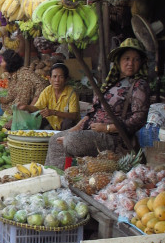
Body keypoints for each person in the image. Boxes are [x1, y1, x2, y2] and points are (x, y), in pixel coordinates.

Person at [45, 38, 150, 170]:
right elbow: (92, 113)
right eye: (127, 58)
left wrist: (107, 128)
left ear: (141, 63)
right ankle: (54, 178)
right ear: (119, 60)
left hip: (114, 138)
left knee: (72, 141)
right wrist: (73, 130)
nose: (131, 63)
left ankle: (68, 174)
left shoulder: (139, 85)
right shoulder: (111, 83)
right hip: (91, 130)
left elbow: (138, 119)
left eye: (136, 59)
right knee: (55, 140)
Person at [0, 49, 48, 127]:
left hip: (36, 106)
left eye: (2, 61)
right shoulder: (11, 76)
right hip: (24, 105)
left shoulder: (24, 76)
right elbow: (10, 96)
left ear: (9, 63)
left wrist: (31, 107)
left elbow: (40, 87)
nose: (0, 64)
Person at [17, 62, 80, 130]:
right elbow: (38, 108)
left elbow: (74, 115)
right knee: (38, 118)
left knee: (68, 122)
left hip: (68, 128)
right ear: (50, 79)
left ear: (66, 80)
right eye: (54, 76)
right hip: (53, 124)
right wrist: (26, 107)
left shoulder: (71, 93)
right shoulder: (47, 91)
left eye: (61, 77)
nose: (57, 80)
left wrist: (53, 112)